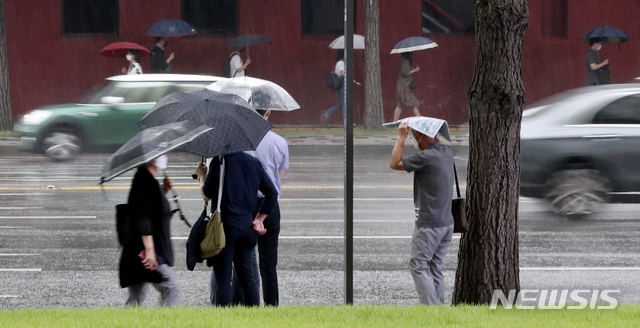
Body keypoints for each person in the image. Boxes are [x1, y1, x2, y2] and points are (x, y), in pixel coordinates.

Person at [195, 152, 277, 307]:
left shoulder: (219, 161)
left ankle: (224, 319)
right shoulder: (254, 162)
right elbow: (271, 193)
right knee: (247, 277)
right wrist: (259, 219)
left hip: (225, 226)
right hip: (247, 224)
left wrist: (202, 176)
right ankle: (252, 316)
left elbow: (206, 194)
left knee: (223, 279)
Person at [389, 121, 454, 305]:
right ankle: (439, 308)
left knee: (418, 265)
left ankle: (430, 311)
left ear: (423, 136)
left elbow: (395, 163)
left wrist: (401, 136)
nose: (414, 140)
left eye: (415, 135)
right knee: (434, 266)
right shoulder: (446, 152)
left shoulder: (427, 157)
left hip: (429, 224)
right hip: (447, 222)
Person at [119, 155, 179, 307]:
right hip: (146, 253)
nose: (165, 157)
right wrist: (150, 250)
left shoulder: (147, 180)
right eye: (162, 154)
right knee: (171, 288)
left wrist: (163, 191)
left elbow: (150, 207)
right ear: (152, 158)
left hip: (139, 252)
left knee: (136, 297)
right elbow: (143, 217)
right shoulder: (144, 181)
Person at [393, 52, 421, 122]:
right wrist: (415, 70)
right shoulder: (406, 61)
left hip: (403, 84)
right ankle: (421, 121)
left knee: (401, 104)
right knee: (412, 103)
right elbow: (405, 72)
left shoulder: (403, 60)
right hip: (404, 86)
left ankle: (394, 122)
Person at [321, 50, 345, 125]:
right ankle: (346, 121)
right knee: (344, 104)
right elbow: (342, 73)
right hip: (341, 86)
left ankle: (326, 114)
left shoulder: (342, 63)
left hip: (343, 86)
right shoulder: (340, 63)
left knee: (341, 105)